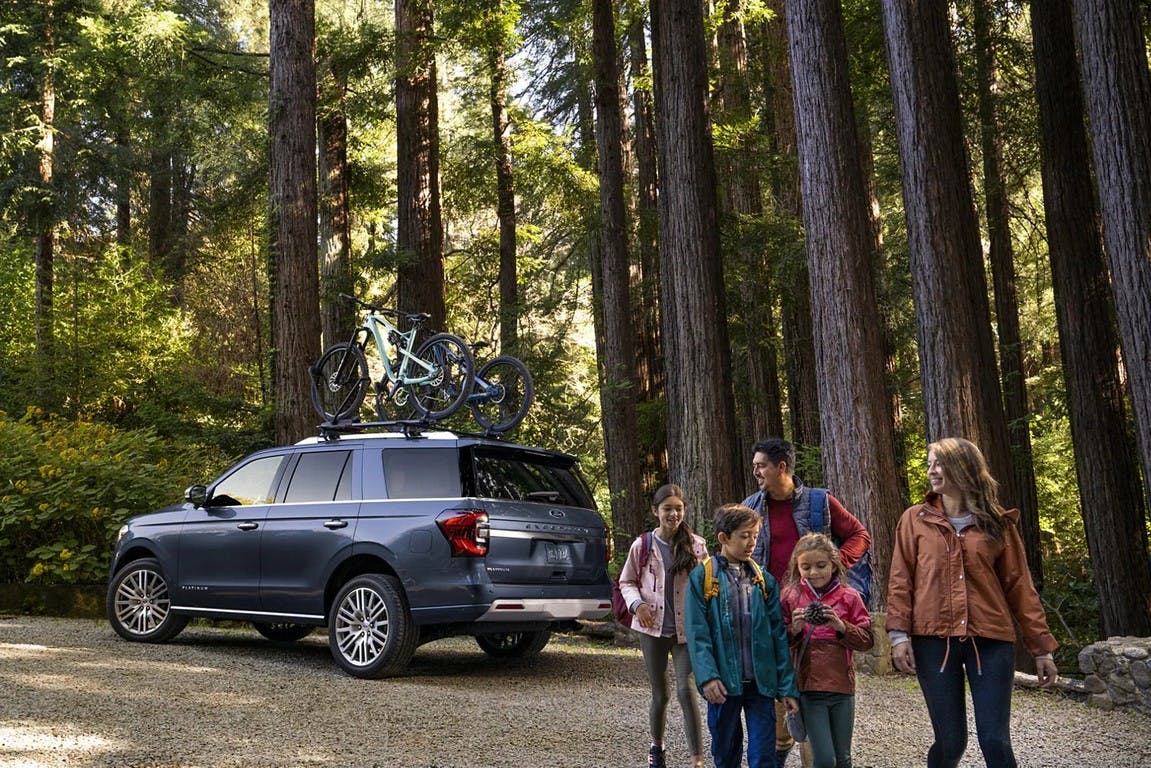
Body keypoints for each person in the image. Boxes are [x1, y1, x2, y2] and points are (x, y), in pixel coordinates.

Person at [886, 437, 1058, 768]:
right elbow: (900, 580)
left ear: (963, 468)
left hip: (991, 641)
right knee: (950, 743)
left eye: (939, 463)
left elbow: (1020, 587)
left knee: (995, 740)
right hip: (933, 642)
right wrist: (899, 636)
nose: (931, 470)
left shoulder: (997, 522)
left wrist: (1042, 649)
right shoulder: (914, 519)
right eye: (929, 463)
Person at [740, 438, 871, 768]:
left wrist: (834, 563)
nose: (755, 472)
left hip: (813, 611)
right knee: (777, 690)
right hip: (771, 611)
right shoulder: (750, 507)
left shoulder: (819, 502)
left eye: (761, 466)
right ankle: (780, 749)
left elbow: (860, 535)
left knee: (810, 691)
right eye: (755, 466)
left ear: (781, 467)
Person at [685, 503, 800, 768]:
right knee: (726, 754)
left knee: (763, 755)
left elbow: (778, 637)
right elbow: (697, 632)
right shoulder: (703, 577)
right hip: (722, 684)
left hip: (761, 684)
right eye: (744, 536)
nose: (751, 543)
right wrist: (708, 677)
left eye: (755, 535)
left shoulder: (764, 581)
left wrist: (786, 686)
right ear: (724, 537)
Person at [619, 484, 710, 768]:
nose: (673, 514)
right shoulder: (642, 545)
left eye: (678, 508)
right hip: (652, 629)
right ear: (655, 511)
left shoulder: (697, 545)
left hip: (685, 631)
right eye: (667, 509)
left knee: (686, 691)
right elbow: (626, 581)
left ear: (685, 510)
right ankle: (656, 747)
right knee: (661, 694)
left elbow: (708, 586)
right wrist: (637, 605)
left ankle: (697, 760)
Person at [780, 534, 873, 768]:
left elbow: (867, 640)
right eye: (806, 567)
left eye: (821, 565)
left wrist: (841, 627)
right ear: (797, 567)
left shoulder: (850, 597)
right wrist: (794, 629)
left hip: (842, 687)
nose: (814, 572)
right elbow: (777, 644)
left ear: (833, 564)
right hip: (809, 688)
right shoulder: (791, 596)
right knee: (824, 759)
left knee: (843, 758)